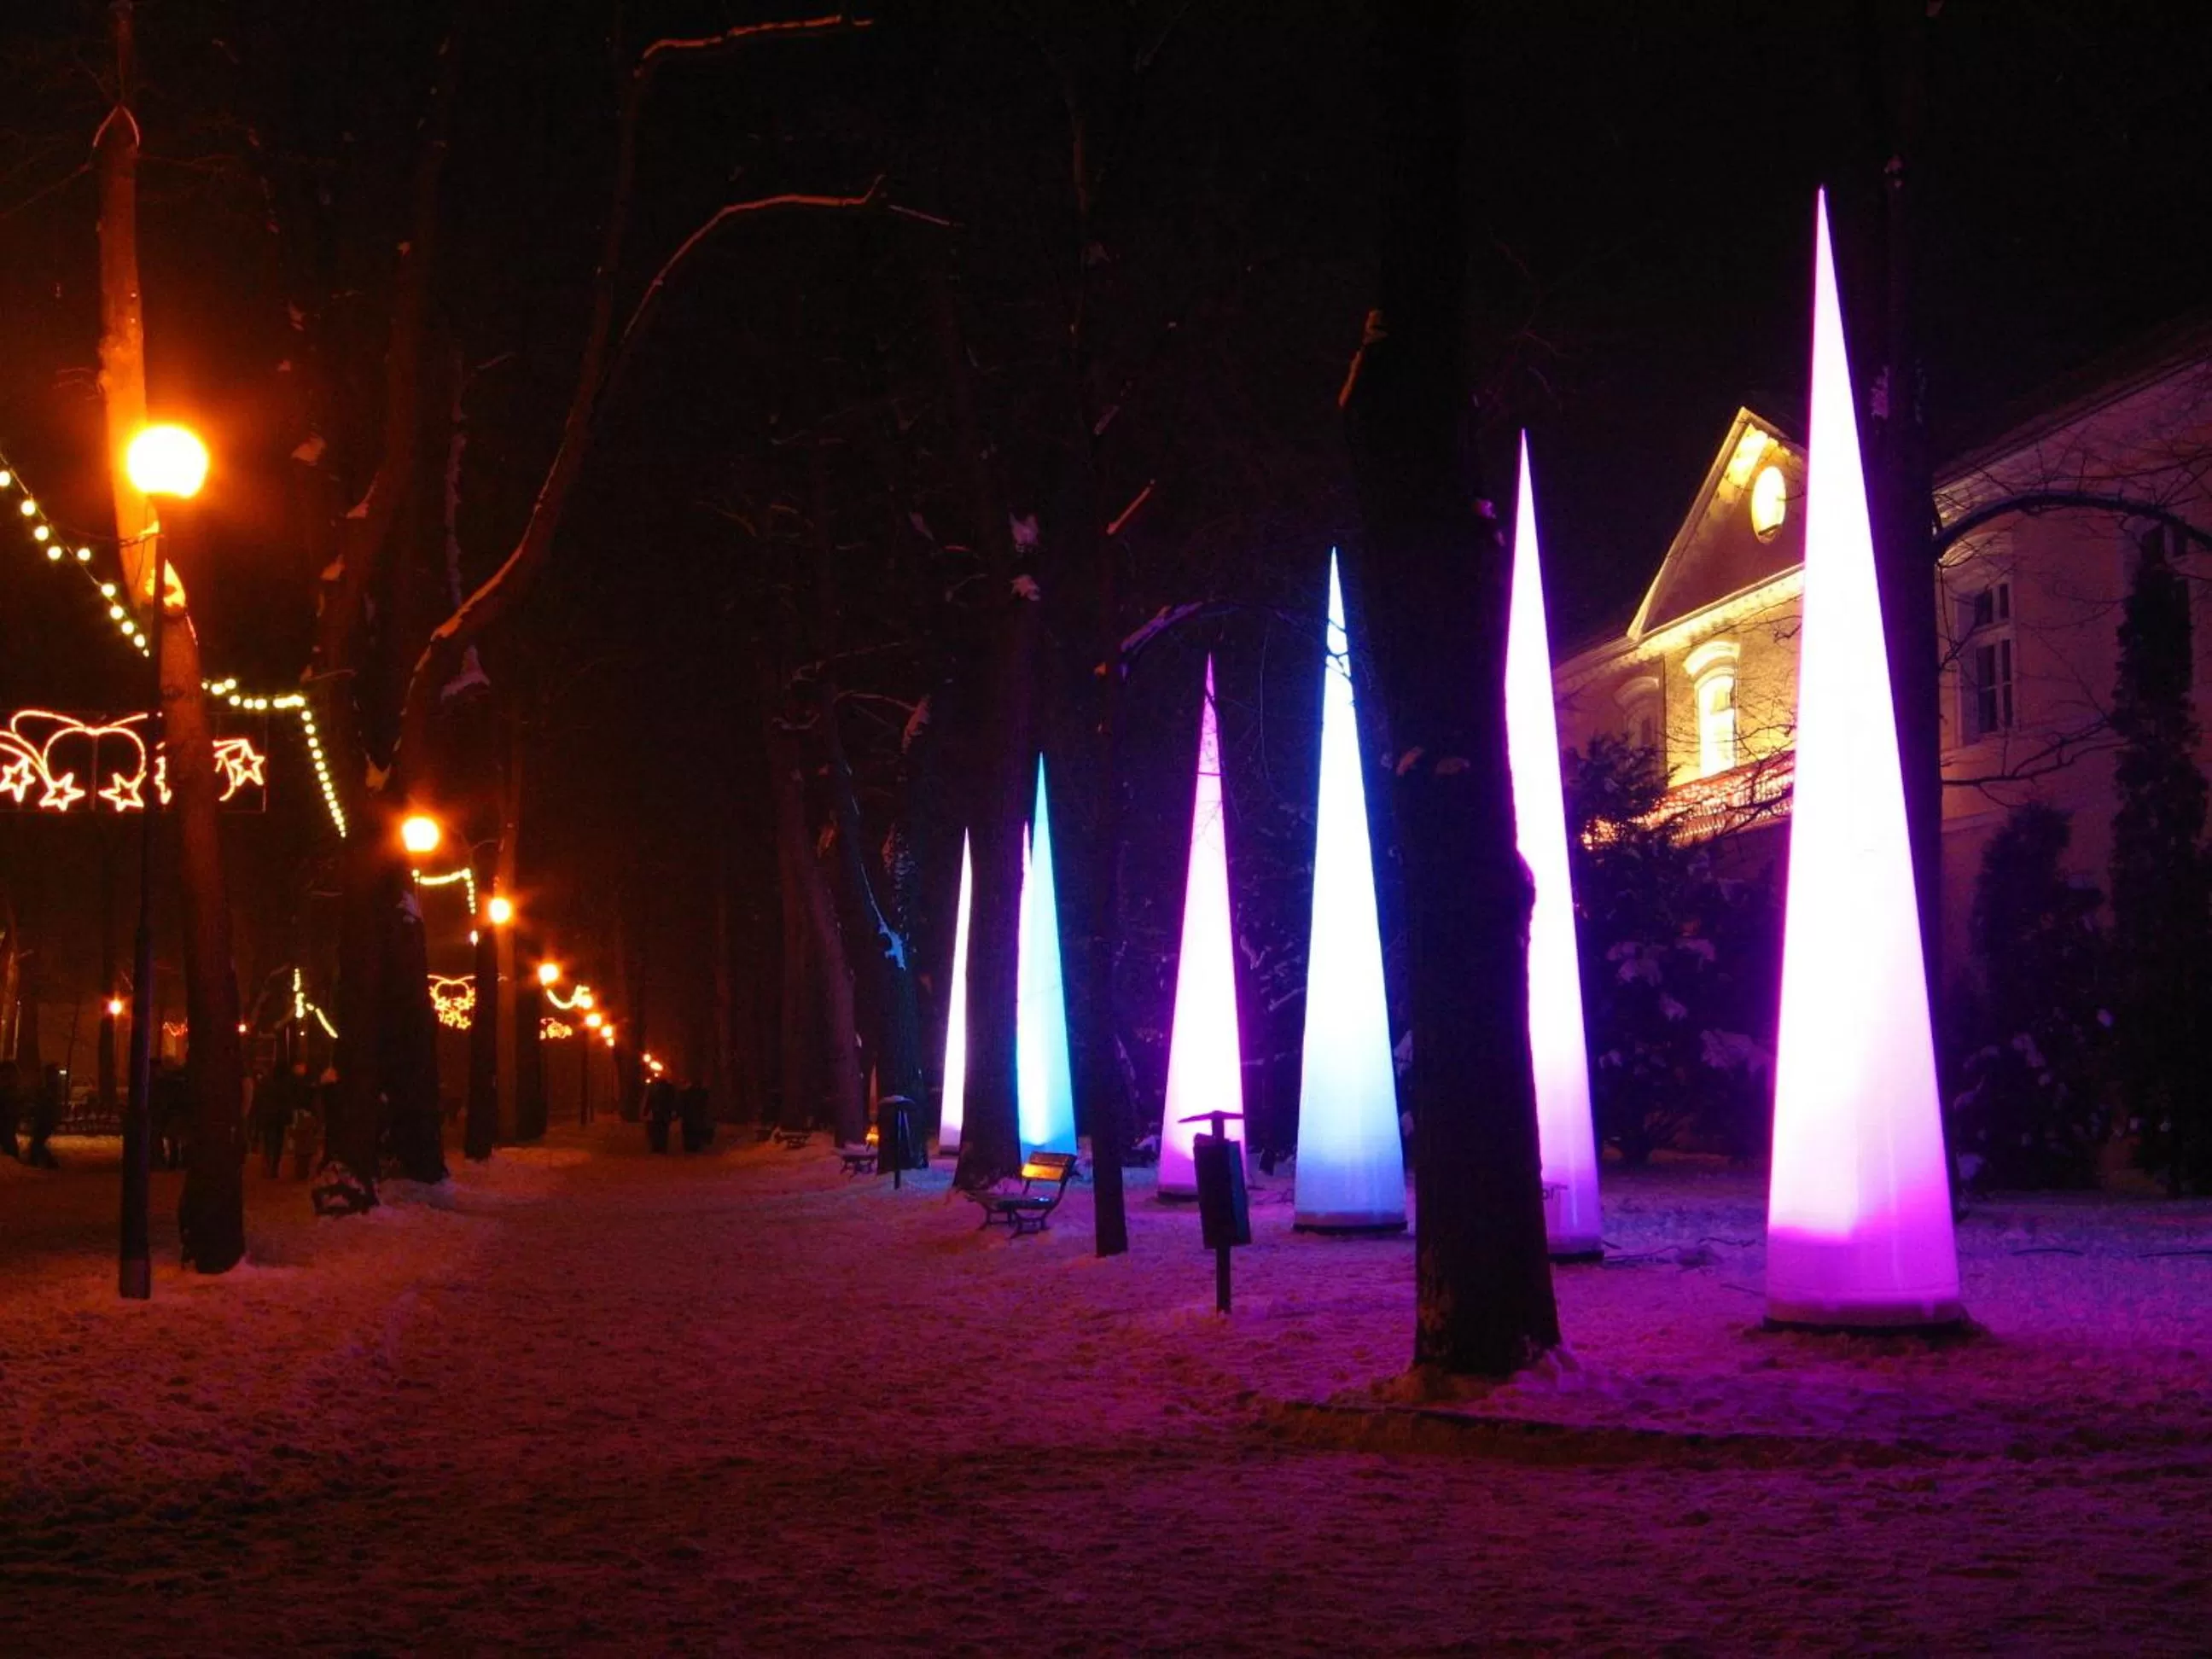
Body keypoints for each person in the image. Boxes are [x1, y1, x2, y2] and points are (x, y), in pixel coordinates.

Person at [250, 1063, 303, 1179]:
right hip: (280, 1117)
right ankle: (274, 1166)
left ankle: (268, 1163)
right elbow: (290, 1100)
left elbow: (260, 1098)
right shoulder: (286, 1084)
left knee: (269, 1140)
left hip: (268, 1115)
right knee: (278, 1141)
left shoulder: (267, 1083)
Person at [26, 1061, 66, 1169]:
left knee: (37, 1142)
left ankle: (45, 1162)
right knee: (38, 1142)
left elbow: (46, 1103)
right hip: (46, 1118)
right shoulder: (51, 1087)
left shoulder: (49, 1088)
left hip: (45, 1119)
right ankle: (43, 1161)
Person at [644, 1075, 677, 1153]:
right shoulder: (670, 1088)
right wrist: (674, 1111)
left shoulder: (655, 1088)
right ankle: (662, 1146)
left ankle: (657, 1147)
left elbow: (650, 1099)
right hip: (666, 1112)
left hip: (657, 1111)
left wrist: (646, 1110)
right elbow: (673, 1100)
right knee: (664, 1130)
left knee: (657, 1129)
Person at [679, 1082, 711, 1154]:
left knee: (689, 1132)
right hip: (697, 1116)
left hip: (689, 1116)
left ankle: (690, 1146)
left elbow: (682, 1105)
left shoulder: (686, 1094)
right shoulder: (702, 1093)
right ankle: (695, 1146)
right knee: (696, 1131)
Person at [0, 1059, 20, 1161]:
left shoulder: (10, 1091)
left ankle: (12, 1160)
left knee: (8, 1138)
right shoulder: (12, 1089)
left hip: (8, 1117)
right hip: (8, 1117)